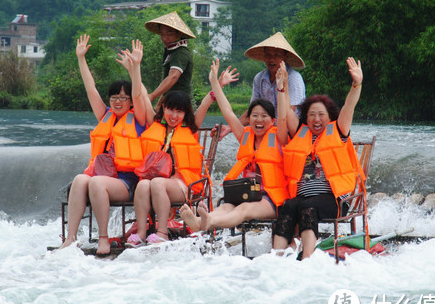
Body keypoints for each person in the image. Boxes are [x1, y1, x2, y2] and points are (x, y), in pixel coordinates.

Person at [122, 47, 239, 247]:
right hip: (156, 182)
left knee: (157, 183)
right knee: (142, 184)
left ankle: (162, 232)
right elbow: (140, 95)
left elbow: (204, 104)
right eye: (170, 110)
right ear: (163, 109)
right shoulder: (154, 124)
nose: (174, 115)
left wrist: (217, 84)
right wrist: (135, 68)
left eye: (179, 111)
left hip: (184, 186)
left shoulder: (190, 128)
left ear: (185, 114)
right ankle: (141, 233)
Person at [179, 58, 290, 233]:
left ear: (272, 120)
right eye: (254, 116)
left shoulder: (280, 137)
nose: (258, 120)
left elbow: (284, 117)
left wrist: (282, 87)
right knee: (225, 206)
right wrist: (215, 82)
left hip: (271, 200)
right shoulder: (246, 135)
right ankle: (202, 221)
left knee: (243, 210)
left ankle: (206, 223)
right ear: (249, 119)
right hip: (246, 193)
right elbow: (228, 112)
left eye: (264, 117)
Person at [59, 35, 146, 256]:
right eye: (114, 97)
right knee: (80, 179)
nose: (118, 101)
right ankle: (70, 238)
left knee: (96, 182)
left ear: (130, 102)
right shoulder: (105, 115)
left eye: (123, 98)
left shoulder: (139, 119)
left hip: (127, 182)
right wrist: (81, 59)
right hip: (102, 176)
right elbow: (90, 89)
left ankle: (103, 239)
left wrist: (135, 67)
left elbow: (137, 93)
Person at [272, 57, 364, 259]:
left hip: (335, 200)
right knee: (288, 205)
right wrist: (282, 87)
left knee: (307, 206)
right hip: (303, 196)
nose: (316, 119)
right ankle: (275, 257)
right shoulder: (300, 132)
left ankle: (307, 257)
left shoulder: (338, 130)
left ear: (329, 117)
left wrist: (356, 84)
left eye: (321, 114)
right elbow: (286, 111)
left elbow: (349, 106)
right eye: (312, 114)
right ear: (306, 117)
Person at [218, 32, 306, 139]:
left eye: (276, 55)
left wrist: (283, 84)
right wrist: (230, 127)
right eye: (268, 55)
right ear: (264, 56)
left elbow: (288, 113)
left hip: (290, 132)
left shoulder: (294, 78)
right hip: (268, 130)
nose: (271, 59)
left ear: (285, 57)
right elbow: (252, 111)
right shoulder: (259, 78)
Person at [144, 11, 196, 106]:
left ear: (178, 34)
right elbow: (168, 85)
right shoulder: (171, 51)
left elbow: (173, 76)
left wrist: (152, 96)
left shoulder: (181, 52)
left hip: (182, 105)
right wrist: (159, 106)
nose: (165, 38)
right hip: (170, 103)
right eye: (162, 34)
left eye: (169, 34)